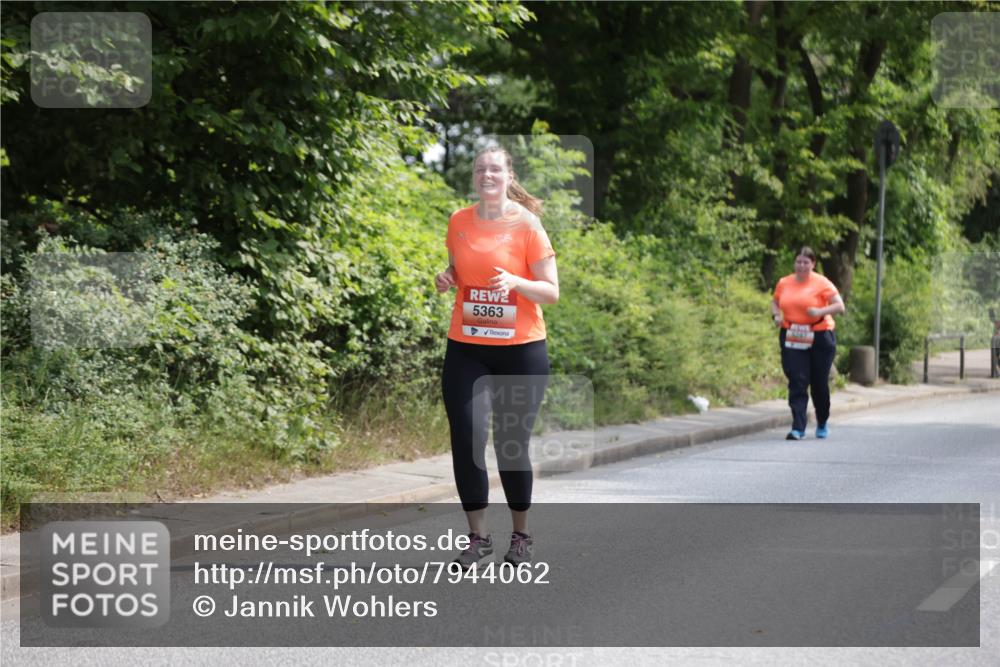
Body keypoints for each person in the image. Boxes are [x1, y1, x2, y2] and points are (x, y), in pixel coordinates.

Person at [434, 146, 559, 569]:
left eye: (495, 169)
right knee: (466, 438)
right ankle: (477, 538)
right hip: (467, 346)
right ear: (475, 177)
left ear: (509, 176)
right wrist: (448, 277)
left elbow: (551, 291)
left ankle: (520, 535)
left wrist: (517, 282)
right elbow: (460, 269)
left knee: (510, 445)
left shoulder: (527, 224)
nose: (486, 175)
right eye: (480, 169)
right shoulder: (458, 221)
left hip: (521, 350)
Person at [771, 247, 845, 440]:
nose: (801, 266)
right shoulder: (784, 282)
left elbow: (840, 306)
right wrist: (776, 315)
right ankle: (798, 427)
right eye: (798, 262)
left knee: (819, 382)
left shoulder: (822, 283)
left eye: (806, 262)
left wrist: (820, 312)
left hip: (820, 334)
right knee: (797, 380)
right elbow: (775, 301)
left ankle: (822, 420)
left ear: (813, 264)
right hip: (792, 334)